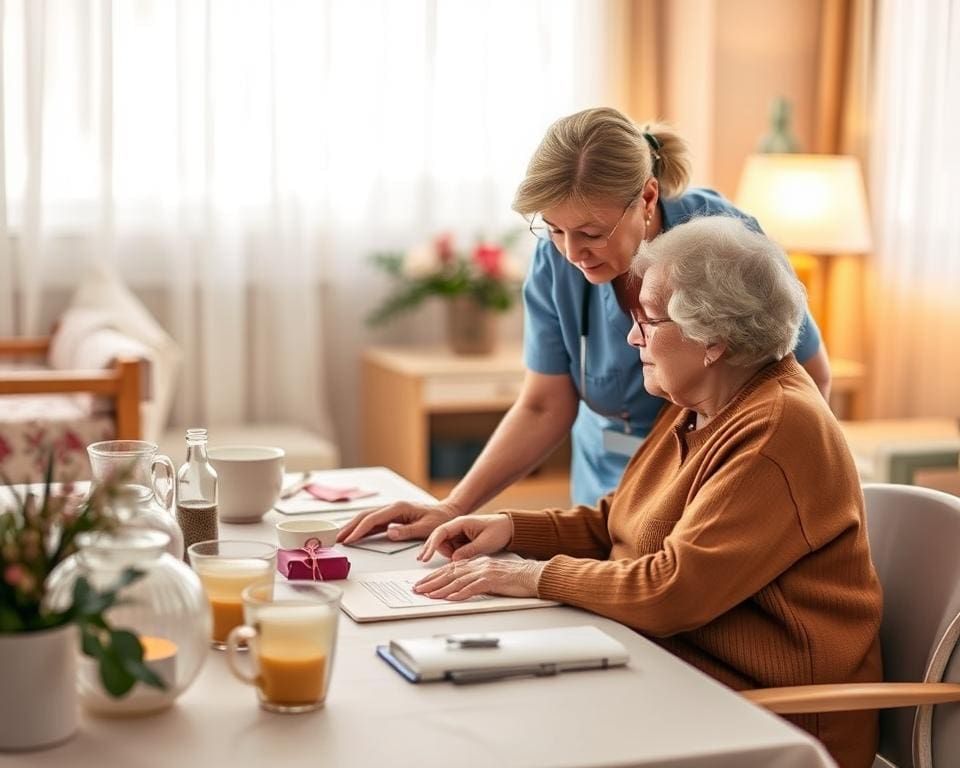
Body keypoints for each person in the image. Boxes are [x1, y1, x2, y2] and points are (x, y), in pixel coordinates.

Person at [412, 216, 882, 768]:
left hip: (768, 714)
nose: (632, 336)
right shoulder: (699, 400)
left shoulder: (776, 430)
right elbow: (621, 520)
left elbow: (672, 589)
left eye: (649, 320)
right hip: (671, 667)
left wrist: (530, 576)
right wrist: (513, 530)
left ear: (714, 339)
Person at [338, 106, 831, 546]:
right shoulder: (558, 263)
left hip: (710, 489)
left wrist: (765, 496)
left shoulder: (720, 241)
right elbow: (542, 404)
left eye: (592, 233)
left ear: (647, 196)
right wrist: (452, 506)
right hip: (604, 501)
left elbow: (807, 375)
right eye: (554, 230)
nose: (573, 253)